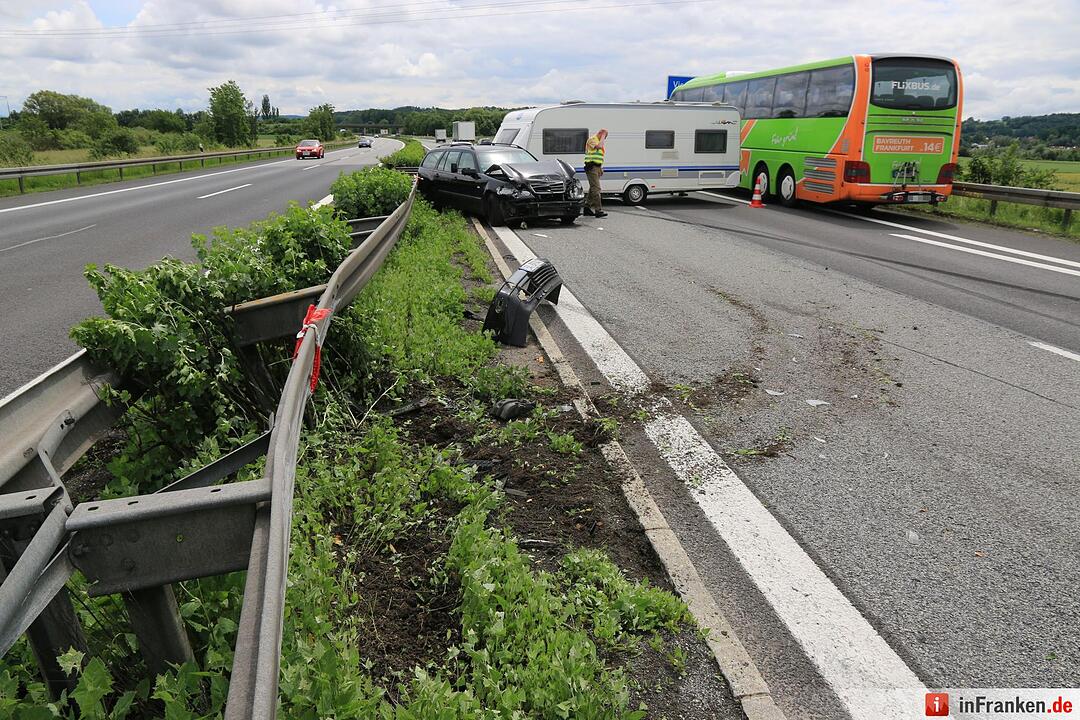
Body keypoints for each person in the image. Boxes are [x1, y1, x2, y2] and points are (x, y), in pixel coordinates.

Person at [583, 128, 607, 218]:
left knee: (592, 188)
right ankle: (598, 210)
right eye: (605, 136)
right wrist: (603, 136)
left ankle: (587, 208)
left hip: (596, 167)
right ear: (600, 133)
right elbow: (599, 147)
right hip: (591, 167)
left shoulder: (598, 140)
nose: (604, 139)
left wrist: (600, 168)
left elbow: (598, 156)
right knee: (596, 189)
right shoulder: (592, 139)